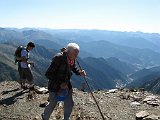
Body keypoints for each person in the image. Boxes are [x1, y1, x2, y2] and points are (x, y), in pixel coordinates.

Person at [42, 43, 86, 120]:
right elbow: (48, 74)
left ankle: (66, 118)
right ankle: (45, 117)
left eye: (77, 54)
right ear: (68, 52)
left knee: (69, 103)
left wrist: (79, 72)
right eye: (75, 54)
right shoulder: (58, 58)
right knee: (52, 103)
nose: (76, 56)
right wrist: (60, 83)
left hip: (66, 84)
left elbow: (73, 67)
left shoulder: (71, 59)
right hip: (54, 86)